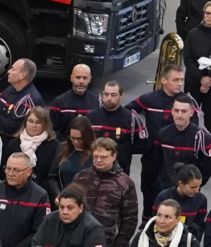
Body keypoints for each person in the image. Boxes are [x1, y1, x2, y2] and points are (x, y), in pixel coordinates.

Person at [130, 66, 190, 210]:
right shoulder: (148, 99)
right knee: (148, 191)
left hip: (174, 160)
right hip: (152, 157)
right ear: (164, 80)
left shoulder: (186, 102)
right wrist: (141, 138)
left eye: (181, 80)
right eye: (175, 80)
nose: (180, 83)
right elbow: (127, 113)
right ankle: (146, 220)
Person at [0, 152, 52, 247]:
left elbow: (39, 233)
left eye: (16, 170)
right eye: (8, 168)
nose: (10, 174)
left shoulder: (40, 196)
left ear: (29, 171)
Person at [154, 94, 211, 196]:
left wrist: (193, 186)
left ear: (191, 112)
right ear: (172, 111)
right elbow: (156, 162)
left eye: (184, 111)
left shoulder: (203, 138)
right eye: (176, 110)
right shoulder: (163, 134)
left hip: (190, 193)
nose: (179, 115)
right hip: (165, 190)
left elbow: (206, 169)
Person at [89, 81, 148, 173]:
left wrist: (123, 152)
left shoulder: (131, 118)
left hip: (120, 173)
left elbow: (141, 145)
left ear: (122, 95)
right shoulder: (91, 117)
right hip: (93, 171)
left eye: (113, 95)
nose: (109, 98)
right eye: (106, 94)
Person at [1, 107, 61, 191]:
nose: (33, 125)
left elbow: (53, 175)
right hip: (14, 190)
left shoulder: (54, 145)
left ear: (45, 124)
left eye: (38, 122)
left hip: (43, 192)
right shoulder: (14, 144)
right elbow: (3, 169)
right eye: (30, 121)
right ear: (25, 122)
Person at [0, 58, 45, 138]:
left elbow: (12, 127)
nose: (8, 71)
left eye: (13, 69)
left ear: (22, 75)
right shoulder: (8, 90)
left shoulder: (32, 100)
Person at [157, 164, 207, 241]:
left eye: (199, 186)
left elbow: (199, 228)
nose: (197, 190)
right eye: (193, 187)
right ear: (181, 184)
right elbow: (154, 222)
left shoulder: (201, 200)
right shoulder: (163, 197)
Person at [50, 64, 101, 136]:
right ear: (71, 78)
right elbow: (53, 131)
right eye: (78, 77)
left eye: (85, 78)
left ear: (90, 79)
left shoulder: (97, 102)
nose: (81, 81)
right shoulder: (59, 103)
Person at [50, 116, 95, 196]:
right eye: (72, 138)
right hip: (64, 199)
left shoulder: (96, 152)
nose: (76, 142)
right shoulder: (62, 148)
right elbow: (52, 177)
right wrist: (58, 195)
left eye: (80, 139)